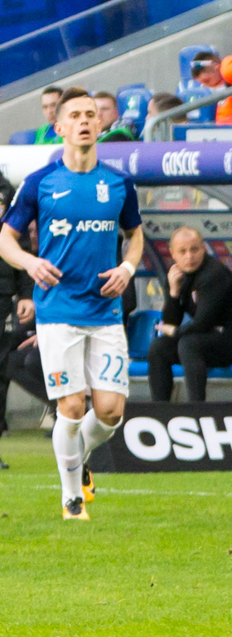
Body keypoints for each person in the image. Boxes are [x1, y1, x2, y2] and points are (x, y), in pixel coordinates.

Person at [0, 88, 143, 520]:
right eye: (75, 116)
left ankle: (77, 458)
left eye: (91, 114)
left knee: (110, 412)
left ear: (100, 125)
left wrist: (128, 269)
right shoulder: (41, 182)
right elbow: (6, 237)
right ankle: (71, 499)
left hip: (104, 311)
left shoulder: (118, 183)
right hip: (58, 309)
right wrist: (29, 261)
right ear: (60, 128)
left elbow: (134, 234)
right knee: (72, 406)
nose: (84, 121)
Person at [145, 226, 232, 403]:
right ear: (173, 254)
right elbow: (170, 320)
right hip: (218, 337)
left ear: (203, 249)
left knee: (189, 343)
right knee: (158, 347)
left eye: (194, 249)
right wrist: (174, 293)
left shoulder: (213, 274)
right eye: (182, 251)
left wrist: (175, 332)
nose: (189, 256)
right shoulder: (177, 275)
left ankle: (197, 410)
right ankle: (160, 411)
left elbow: (201, 324)